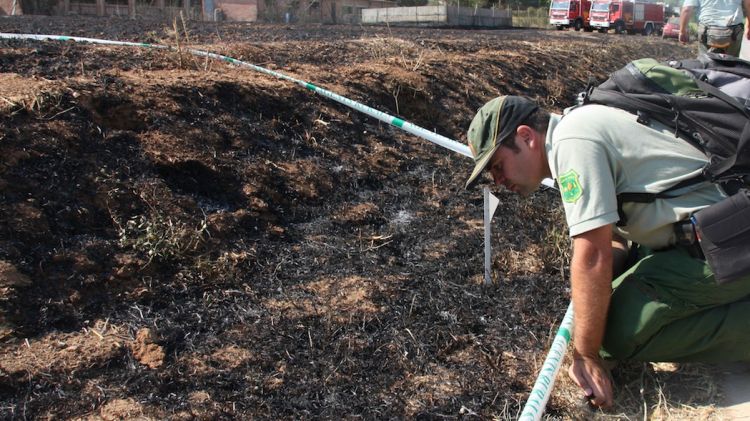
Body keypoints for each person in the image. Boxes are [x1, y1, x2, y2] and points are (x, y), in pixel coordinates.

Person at [465, 96, 750, 408]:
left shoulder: (572, 144)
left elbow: (592, 255)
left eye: (498, 166)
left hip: (729, 239)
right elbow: (614, 241)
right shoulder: (578, 125)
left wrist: (585, 354)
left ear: (526, 136)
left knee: (613, 333)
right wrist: (597, 290)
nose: (499, 181)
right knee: (602, 306)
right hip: (720, 230)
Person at [679, 0, 750, 56]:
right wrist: (748, 26)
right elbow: (748, 5)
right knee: (731, 65)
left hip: (706, 31)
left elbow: (687, 9)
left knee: (706, 62)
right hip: (733, 32)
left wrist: (682, 31)